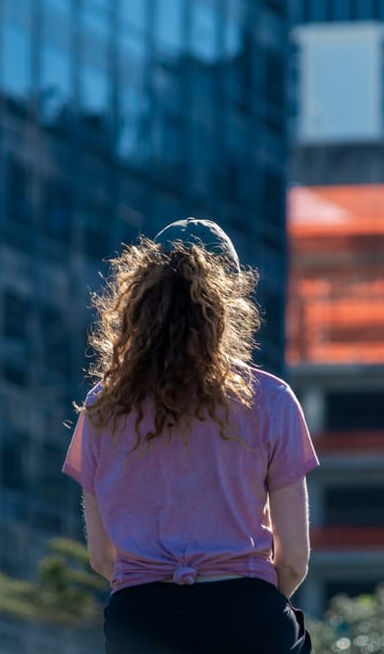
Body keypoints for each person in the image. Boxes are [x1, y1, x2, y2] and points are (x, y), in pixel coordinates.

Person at [63, 218, 319, 654]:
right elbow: (293, 559)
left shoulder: (102, 406)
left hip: (141, 623)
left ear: (140, 299)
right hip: (246, 619)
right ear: (226, 302)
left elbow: (104, 559)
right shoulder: (272, 400)